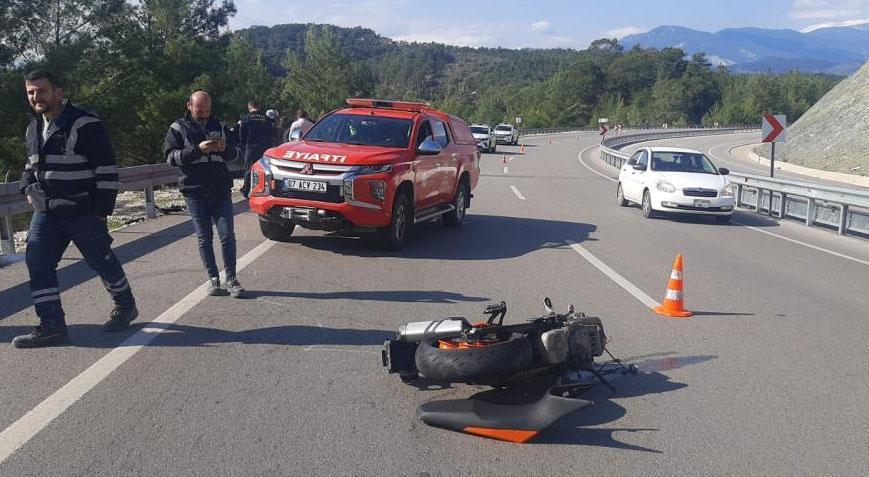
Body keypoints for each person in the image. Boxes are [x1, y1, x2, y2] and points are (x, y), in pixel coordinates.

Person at [13, 70, 138, 348]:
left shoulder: (84, 123)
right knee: (37, 263)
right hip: (47, 212)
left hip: (83, 210)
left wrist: (100, 213)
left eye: (41, 91)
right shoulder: (34, 127)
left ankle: (125, 305)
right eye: (31, 92)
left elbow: (106, 170)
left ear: (58, 92)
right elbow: (30, 169)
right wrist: (30, 190)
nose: (36, 97)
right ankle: (52, 326)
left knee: (101, 260)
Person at [164, 91, 244, 298]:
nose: (204, 115)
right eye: (200, 110)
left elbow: (237, 155)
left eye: (208, 110)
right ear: (189, 106)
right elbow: (171, 158)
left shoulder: (220, 126)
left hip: (220, 190)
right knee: (204, 237)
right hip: (195, 191)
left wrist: (225, 148)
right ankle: (213, 279)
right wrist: (198, 150)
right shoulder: (178, 128)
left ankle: (232, 279)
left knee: (227, 235)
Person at [238, 101, 275, 198]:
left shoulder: (246, 119)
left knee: (249, 169)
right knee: (264, 169)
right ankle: (263, 189)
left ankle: (246, 190)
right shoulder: (267, 119)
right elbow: (272, 134)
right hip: (264, 148)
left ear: (249, 108)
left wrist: (243, 147)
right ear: (259, 107)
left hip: (250, 148)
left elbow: (241, 135)